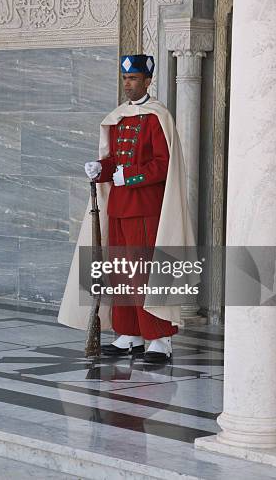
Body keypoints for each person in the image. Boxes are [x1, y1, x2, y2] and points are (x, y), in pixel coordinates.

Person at [57, 54, 197, 363]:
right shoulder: (119, 116)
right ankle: (129, 334)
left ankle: (160, 339)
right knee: (120, 273)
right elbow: (116, 161)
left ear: (147, 81)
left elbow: (163, 165)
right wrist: (101, 168)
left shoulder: (157, 117)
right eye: (125, 79)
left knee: (145, 274)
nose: (127, 84)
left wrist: (128, 176)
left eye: (133, 78)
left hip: (145, 208)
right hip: (119, 207)